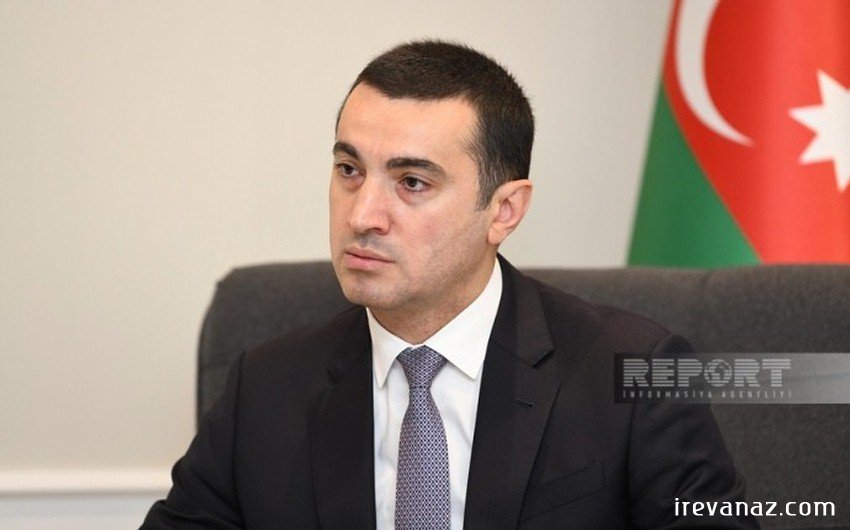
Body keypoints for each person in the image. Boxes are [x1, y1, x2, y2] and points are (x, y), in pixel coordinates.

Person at [141, 40, 757, 529]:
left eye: (412, 182)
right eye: (349, 170)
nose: (362, 215)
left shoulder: (633, 375)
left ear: (504, 211)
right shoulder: (265, 388)